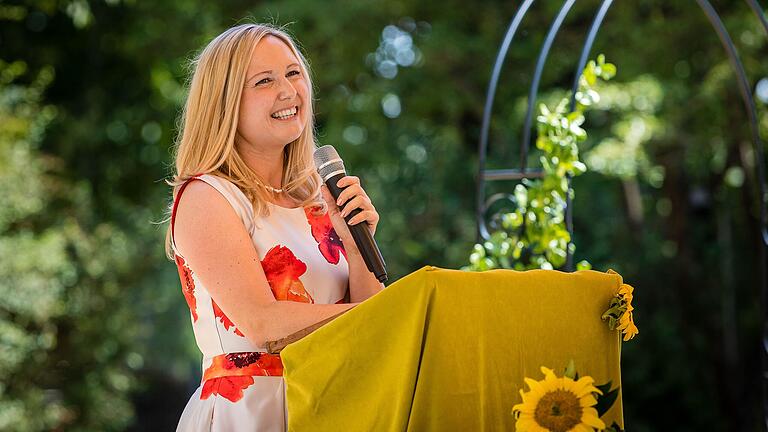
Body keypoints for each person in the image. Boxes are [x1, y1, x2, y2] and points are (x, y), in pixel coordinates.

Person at [165, 23, 384, 431]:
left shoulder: (319, 197)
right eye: (264, 81)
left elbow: (371, 327)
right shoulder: (207, 196)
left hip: (331, 404)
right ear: (224, 102)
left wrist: (357, 247)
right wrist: (394, 314)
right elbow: (263, 325)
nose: (288, 90)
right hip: (253, 412)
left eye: (293, 73)